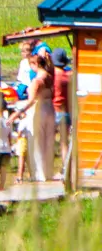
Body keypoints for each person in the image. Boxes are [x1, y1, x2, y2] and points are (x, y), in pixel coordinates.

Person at [14, 46, 56, 182]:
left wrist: (17, 113)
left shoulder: (37, 81)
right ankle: (48, 171)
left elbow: (31, 100)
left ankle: (39, 174)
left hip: (39, 109)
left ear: (35, 64)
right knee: (49, 141)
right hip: (51, 108)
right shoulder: (50, 75)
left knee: (37, 142)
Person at [52, 46, 73, 178]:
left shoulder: (54, 75)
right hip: (66, 112)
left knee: (49, 141)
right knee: (64, 142)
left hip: (55, 110)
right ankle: (65, 168)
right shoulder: (68, 76)